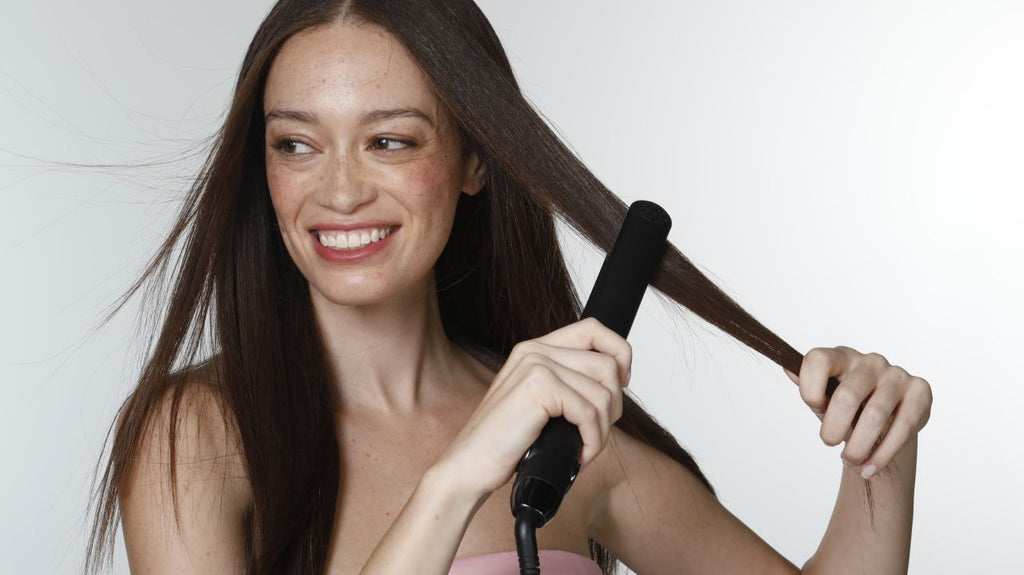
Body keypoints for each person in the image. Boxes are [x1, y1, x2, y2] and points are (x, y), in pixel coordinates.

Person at [85, 1, 933, 574]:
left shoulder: (564, 433)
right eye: (296, 145)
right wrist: (457, 479)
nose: (338, 191)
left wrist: (879, 456)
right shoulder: (194, 437)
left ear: (475, 160)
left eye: (389, 142)